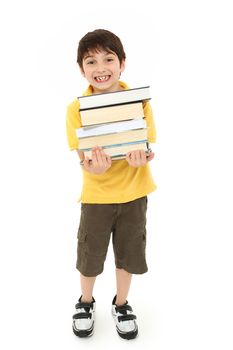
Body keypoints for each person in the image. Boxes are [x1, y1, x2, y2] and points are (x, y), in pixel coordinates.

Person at [66, 29, 157, 340]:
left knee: (129, 253)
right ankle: (86, 302)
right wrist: (92, 168)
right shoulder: (75, 109)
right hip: (97, 195)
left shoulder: (140, 102)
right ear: (81, 69)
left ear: (122, 64)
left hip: (134, 193)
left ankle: (121, 304)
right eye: (91, 61)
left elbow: (146, 147)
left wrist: (141, 159)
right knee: (90, 254)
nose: (100, 68)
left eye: (108, 59)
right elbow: (82, 156)